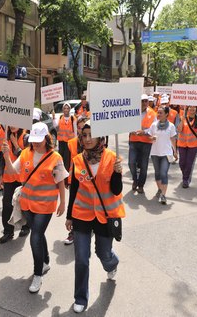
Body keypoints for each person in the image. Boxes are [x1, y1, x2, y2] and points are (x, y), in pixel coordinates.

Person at [65, 120, 125, 313]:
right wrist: (69, 216)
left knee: (103, 253)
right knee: (82, 258)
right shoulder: (78, 160)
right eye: (84, 135)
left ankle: (112, 263)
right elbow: (74, 190)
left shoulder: (112, 157)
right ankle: (80, 297)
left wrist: (117, 173)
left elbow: (116, 190)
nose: (88, 139)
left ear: (101, 136)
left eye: (91, 134)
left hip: (105, 216)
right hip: (82, 214)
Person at [2, 122, 68, 293]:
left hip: (46, 205)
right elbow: (11, 171)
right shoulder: (25, 153)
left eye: (39, 140)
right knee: (38, 235)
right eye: (33, 140)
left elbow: (61, 180)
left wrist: (63, 202)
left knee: (35, 236)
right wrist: (6, 155)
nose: (36, 143)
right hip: (27, 203)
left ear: (47, 138)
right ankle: (45, 262)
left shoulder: (56, 157)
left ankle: (37, 274)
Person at [0, 126, 29, 243]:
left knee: (23, 203)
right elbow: (2, 158)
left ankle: (26, 226)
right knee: (6, 203)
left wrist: (16, 145)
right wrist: (0, 174)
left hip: (22, 177)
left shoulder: (26, 137)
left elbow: (27, 157)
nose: (12, 125)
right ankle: (8, 231)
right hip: (9, 177)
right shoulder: (6, 137)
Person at [63, 116, 87, 245]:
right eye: (79, 127)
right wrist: (67, 179)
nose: (81, 130)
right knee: (73, 205)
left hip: (90, 181)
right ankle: (72, 232)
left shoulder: (93, 142)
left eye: (83, 127)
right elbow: (68, 162)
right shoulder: (71, 143)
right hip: (75, 179)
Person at [148, 106, 178, 204]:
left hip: (166, 153)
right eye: (158, 112)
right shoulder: (153, 125)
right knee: (157, 173)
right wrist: (151, 138)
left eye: (161, 113)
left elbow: (173, 139)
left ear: (166, 114)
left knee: (163, 173)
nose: (158, 114)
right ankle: (160, 189)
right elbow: (149, 136)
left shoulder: (171, 126)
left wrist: (175, 151)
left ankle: (163, 195)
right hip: (155, 152)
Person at [128, 94, 157, 194]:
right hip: (134, 141)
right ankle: (135, 180)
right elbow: (126, 123)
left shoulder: (153, 113)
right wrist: (130, 129)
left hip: (146, 142)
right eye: (143, 101)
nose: (145, 103)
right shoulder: (132, 112)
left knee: (144, 166)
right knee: (131, 162)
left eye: (146, 101)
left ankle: (141, 185)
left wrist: (144, 132)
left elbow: (155, 128)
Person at [177, 106, 197, 188]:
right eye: (190, 108)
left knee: (189, 164)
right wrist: (182, 120)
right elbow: (179, 130)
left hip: (194, 146)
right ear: (187, 109)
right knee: (182, 163)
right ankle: (186, 176)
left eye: (194, 109)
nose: (192, 110)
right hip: (182, 145)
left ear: (196, 110)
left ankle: (185, 180)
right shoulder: (182, 118)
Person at [52, 102, 77, 171]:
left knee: (67, 158)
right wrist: (53, 118)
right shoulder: (60, 117)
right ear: (63, 109)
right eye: (64, 108)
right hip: (61, 141)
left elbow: (75, 131)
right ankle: (61, 171)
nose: (66, 110)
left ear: (69, 109)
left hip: (69, 142)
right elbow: (56, 126)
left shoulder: (72, 118)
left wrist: (75, 142)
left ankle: (66, 171)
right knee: (61, 157)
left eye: (67, 108)